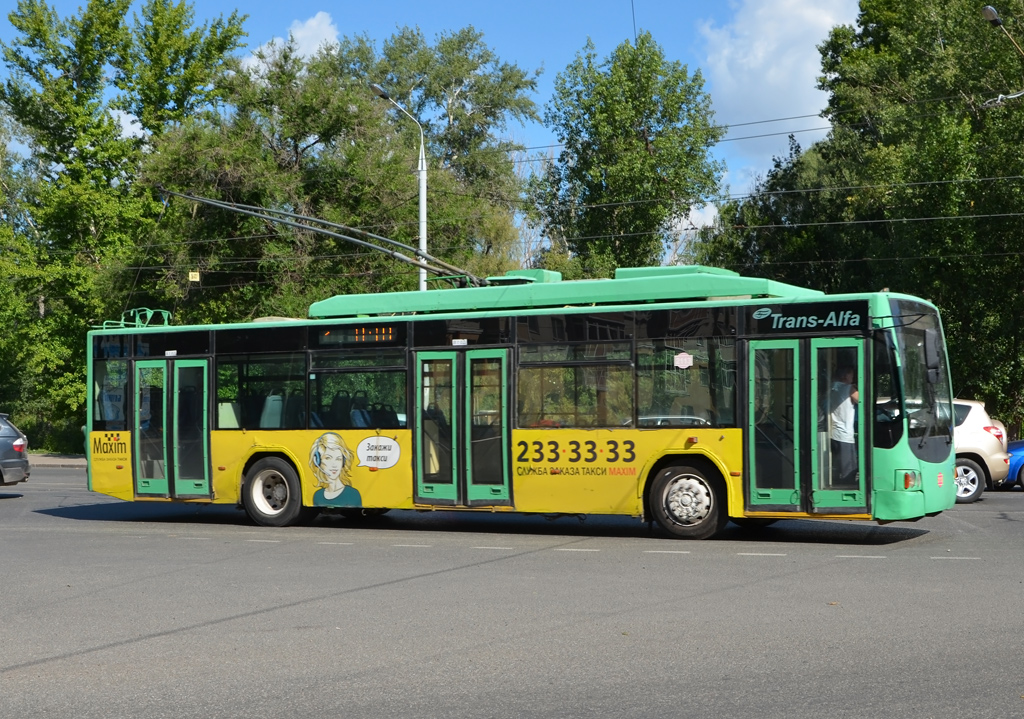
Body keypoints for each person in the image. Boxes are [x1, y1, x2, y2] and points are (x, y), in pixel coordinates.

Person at [309, 432, 363, 507]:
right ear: (318, 461)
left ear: (343, 462)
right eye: (328, 458)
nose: (334, 465)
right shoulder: (318, 496)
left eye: (338, 459)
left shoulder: (353, 494)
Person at [829, 366, 859, 486]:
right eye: (852, 375)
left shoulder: (832, 388)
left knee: (838, 467)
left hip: (834, 434)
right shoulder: (849, 389)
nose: (853, 377)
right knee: (849, 471)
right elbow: (863, 400)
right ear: (846, 376)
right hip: (845, 435)